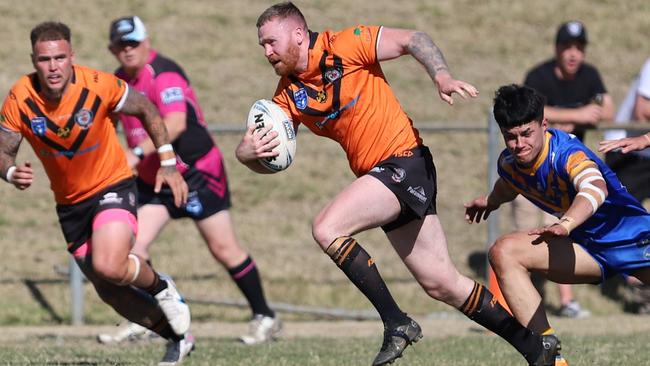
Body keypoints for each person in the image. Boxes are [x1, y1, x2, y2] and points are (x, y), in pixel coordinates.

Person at [237, 3, 565, 366]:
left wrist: (440, 74)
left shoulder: (346, 44)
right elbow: (272, 163)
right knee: (442, 283)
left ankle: (396, 323)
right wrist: (246, 154)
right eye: (262, 46)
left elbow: (414, 39)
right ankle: (536, 349)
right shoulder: (288, 96)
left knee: (327, 227)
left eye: (271, 42)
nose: (267, 52)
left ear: (298, 34)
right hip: (383, 178)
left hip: (404, 162)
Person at [0, 22, 194, 365]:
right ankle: (177, 338)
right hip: (70, 206)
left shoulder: (98, 85)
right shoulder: (21, 97)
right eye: (45, 59)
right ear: (34, 60)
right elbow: (3, 151)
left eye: (61, 57)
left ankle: (162, 287)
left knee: (109, 263)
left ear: (71, 56)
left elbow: (147, 109)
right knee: (110, 290)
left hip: (111, 185)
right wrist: (12, 172)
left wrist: (166, 162)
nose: (54, 66)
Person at [97, 15, 281, 346]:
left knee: (224, 249)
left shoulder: (164, 73)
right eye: (121, 46)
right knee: (132, 247)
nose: (128, 51)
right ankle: (151, 318)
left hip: (195, 171)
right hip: (154, 176)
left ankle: (264, 316)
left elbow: (176, 123)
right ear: (112, 49)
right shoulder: (118, 82)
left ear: (146, 41)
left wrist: (136, 153)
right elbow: (113, 127)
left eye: (133, 43)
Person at [466, 84, 650, 366]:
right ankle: (548, 354)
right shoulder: (511, 162)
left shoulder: (568, 154)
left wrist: (565, 224)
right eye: (510, 137)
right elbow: (509, 184)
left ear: (544, 124)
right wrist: (490, 201)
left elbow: (594, 189)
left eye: (527, 133)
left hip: (633, 239)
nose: (519, 145)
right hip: (587, 250)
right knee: (503, 252)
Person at [512, 20, 615, 317]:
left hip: (563, 172)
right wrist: (578, 114)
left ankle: (567, 302)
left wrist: (569, 119)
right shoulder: (539, 76)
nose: (573, 54)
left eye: (579, 48)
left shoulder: (589, 76)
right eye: (567, 47)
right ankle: (524, 305)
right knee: (522, 236)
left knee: (560, 231)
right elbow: (528, 114)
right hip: (527, 171)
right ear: (557, 48)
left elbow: (606, 110)